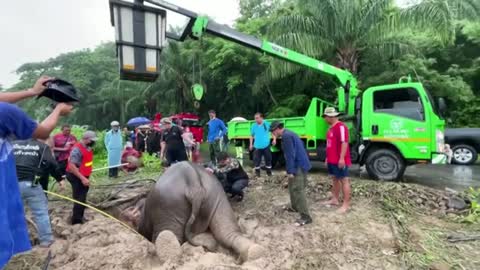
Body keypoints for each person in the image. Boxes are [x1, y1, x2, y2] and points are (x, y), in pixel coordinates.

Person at [0, 75, 73, 268]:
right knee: (39, 211)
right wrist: (58, 109)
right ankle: (46, 240)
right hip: (24, 186)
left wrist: (32, 92)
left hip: (15, 182)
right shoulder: (7, 113)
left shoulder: (16, 145)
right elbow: (44, 134)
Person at [13, 138, 66, 247]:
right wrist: (60, 179)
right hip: (31, 185)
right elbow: (51, 163)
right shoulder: (41, 147)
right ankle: (46, 241)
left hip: (11, 185)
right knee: (41, 213)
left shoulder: (11, 145)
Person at [270, 121, 312, 226]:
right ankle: (295, 207)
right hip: (300, 163)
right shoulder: (289, 133)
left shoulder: (286, 137)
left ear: (278, 129)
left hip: (297, 165)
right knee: (292, 187)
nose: (272, 133)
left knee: (298, 190)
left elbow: (290, 155)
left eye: (273, 131)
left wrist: (290, 170)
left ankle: (306, 217)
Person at [321, 107, 352, 214]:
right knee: (334, 179)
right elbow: (329, 145)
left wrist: (342, 158)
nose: (324, 119)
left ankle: (346, 205)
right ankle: (335, 199)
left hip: (340, 159)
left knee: (344, 180)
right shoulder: (330, 129)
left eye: (325, 117)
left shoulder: (341, 127)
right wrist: (327, 158)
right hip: (332, 159)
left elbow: (344, 143)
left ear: (331, 117)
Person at [66, 131, 98, 225]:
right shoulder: (77, 150)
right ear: (87, 139)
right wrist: (82, 178)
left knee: (82, 197)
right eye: (92, 140)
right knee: (79, 198)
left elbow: (86, 162)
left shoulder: (87, 147)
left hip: (83, 175)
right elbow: (72, 166)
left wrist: (87, 174)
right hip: (75, 176)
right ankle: (76, 221)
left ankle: (80, 216)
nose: (93, 142)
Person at [249, 113, 276, 177]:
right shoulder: (253, 125)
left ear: (261, 118)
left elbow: (272, 132)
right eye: (255, 118)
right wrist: (251, 144)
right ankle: (257, 173)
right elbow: (251, 136)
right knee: (256, 160)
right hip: (257, 146)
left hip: (266, 145)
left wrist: (274, 139)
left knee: (268, 159)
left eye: (257, 118)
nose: (256, 120)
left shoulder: (267, 124)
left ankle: (269, 173)